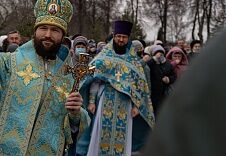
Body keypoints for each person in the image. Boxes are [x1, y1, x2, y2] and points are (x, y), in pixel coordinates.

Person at [0, 0, 90, 155]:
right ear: (35, 31)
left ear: (63, 36)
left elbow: (77, 126)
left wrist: (76, 113)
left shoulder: (69, 75)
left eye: (55, 30)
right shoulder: (9, 64)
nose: (48, 34)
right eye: (43, 28)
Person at [143, 28, 226, 156]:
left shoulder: (184, 65)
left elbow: (173, 76)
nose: (177, 57)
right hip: (163, 95)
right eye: (174, 55)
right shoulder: (160, 64)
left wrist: (169, 79)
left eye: (179, 55)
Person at [77, 20, 154, 156]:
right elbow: (94, 80)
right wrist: (90, 101)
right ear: (114, 36)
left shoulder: (134, 62)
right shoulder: (103, 58)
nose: (121, 39)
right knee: (100, 133)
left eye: (124, 37)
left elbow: (140, 86)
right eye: (118, 36)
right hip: (105, 100)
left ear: (128, 39)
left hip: (126, 104)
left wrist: (137, 106)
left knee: (122, 140)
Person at [147, 45, 176, 115]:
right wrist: (154, 59)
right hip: (153, 93)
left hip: (165, 93)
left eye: (161, 53)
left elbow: (174, 76)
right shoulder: (151, 63)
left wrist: (168, 79)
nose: (160, 55)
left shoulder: (168, 64)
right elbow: (146, 67)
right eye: (157, 52)